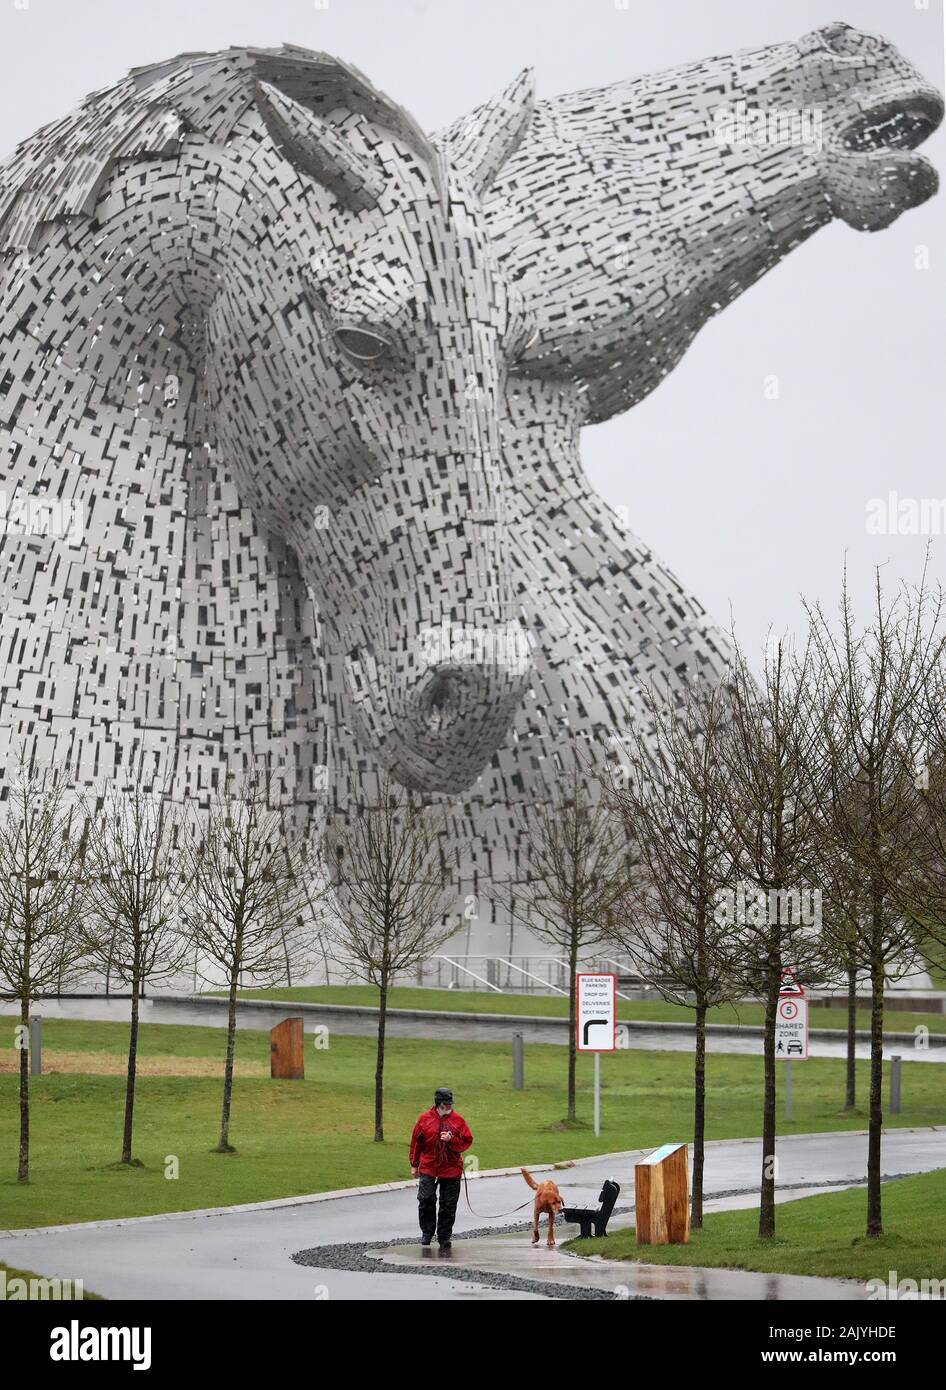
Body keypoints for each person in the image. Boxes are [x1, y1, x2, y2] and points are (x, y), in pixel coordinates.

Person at [409, 1086, 473, 1249]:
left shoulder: (458, 1120)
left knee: (448, 1204)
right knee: (426, 1199)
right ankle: (427, 1232)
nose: (449, 1107)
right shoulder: (424, 1119)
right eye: (446, 1104)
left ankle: (444, 1236)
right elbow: (416, 1142)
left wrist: (451, 1141)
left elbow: (467, 1140)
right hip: (429, 1166)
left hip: (451, 1168)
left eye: (450, 1104)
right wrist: (414, 1164)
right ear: (438, 1103)